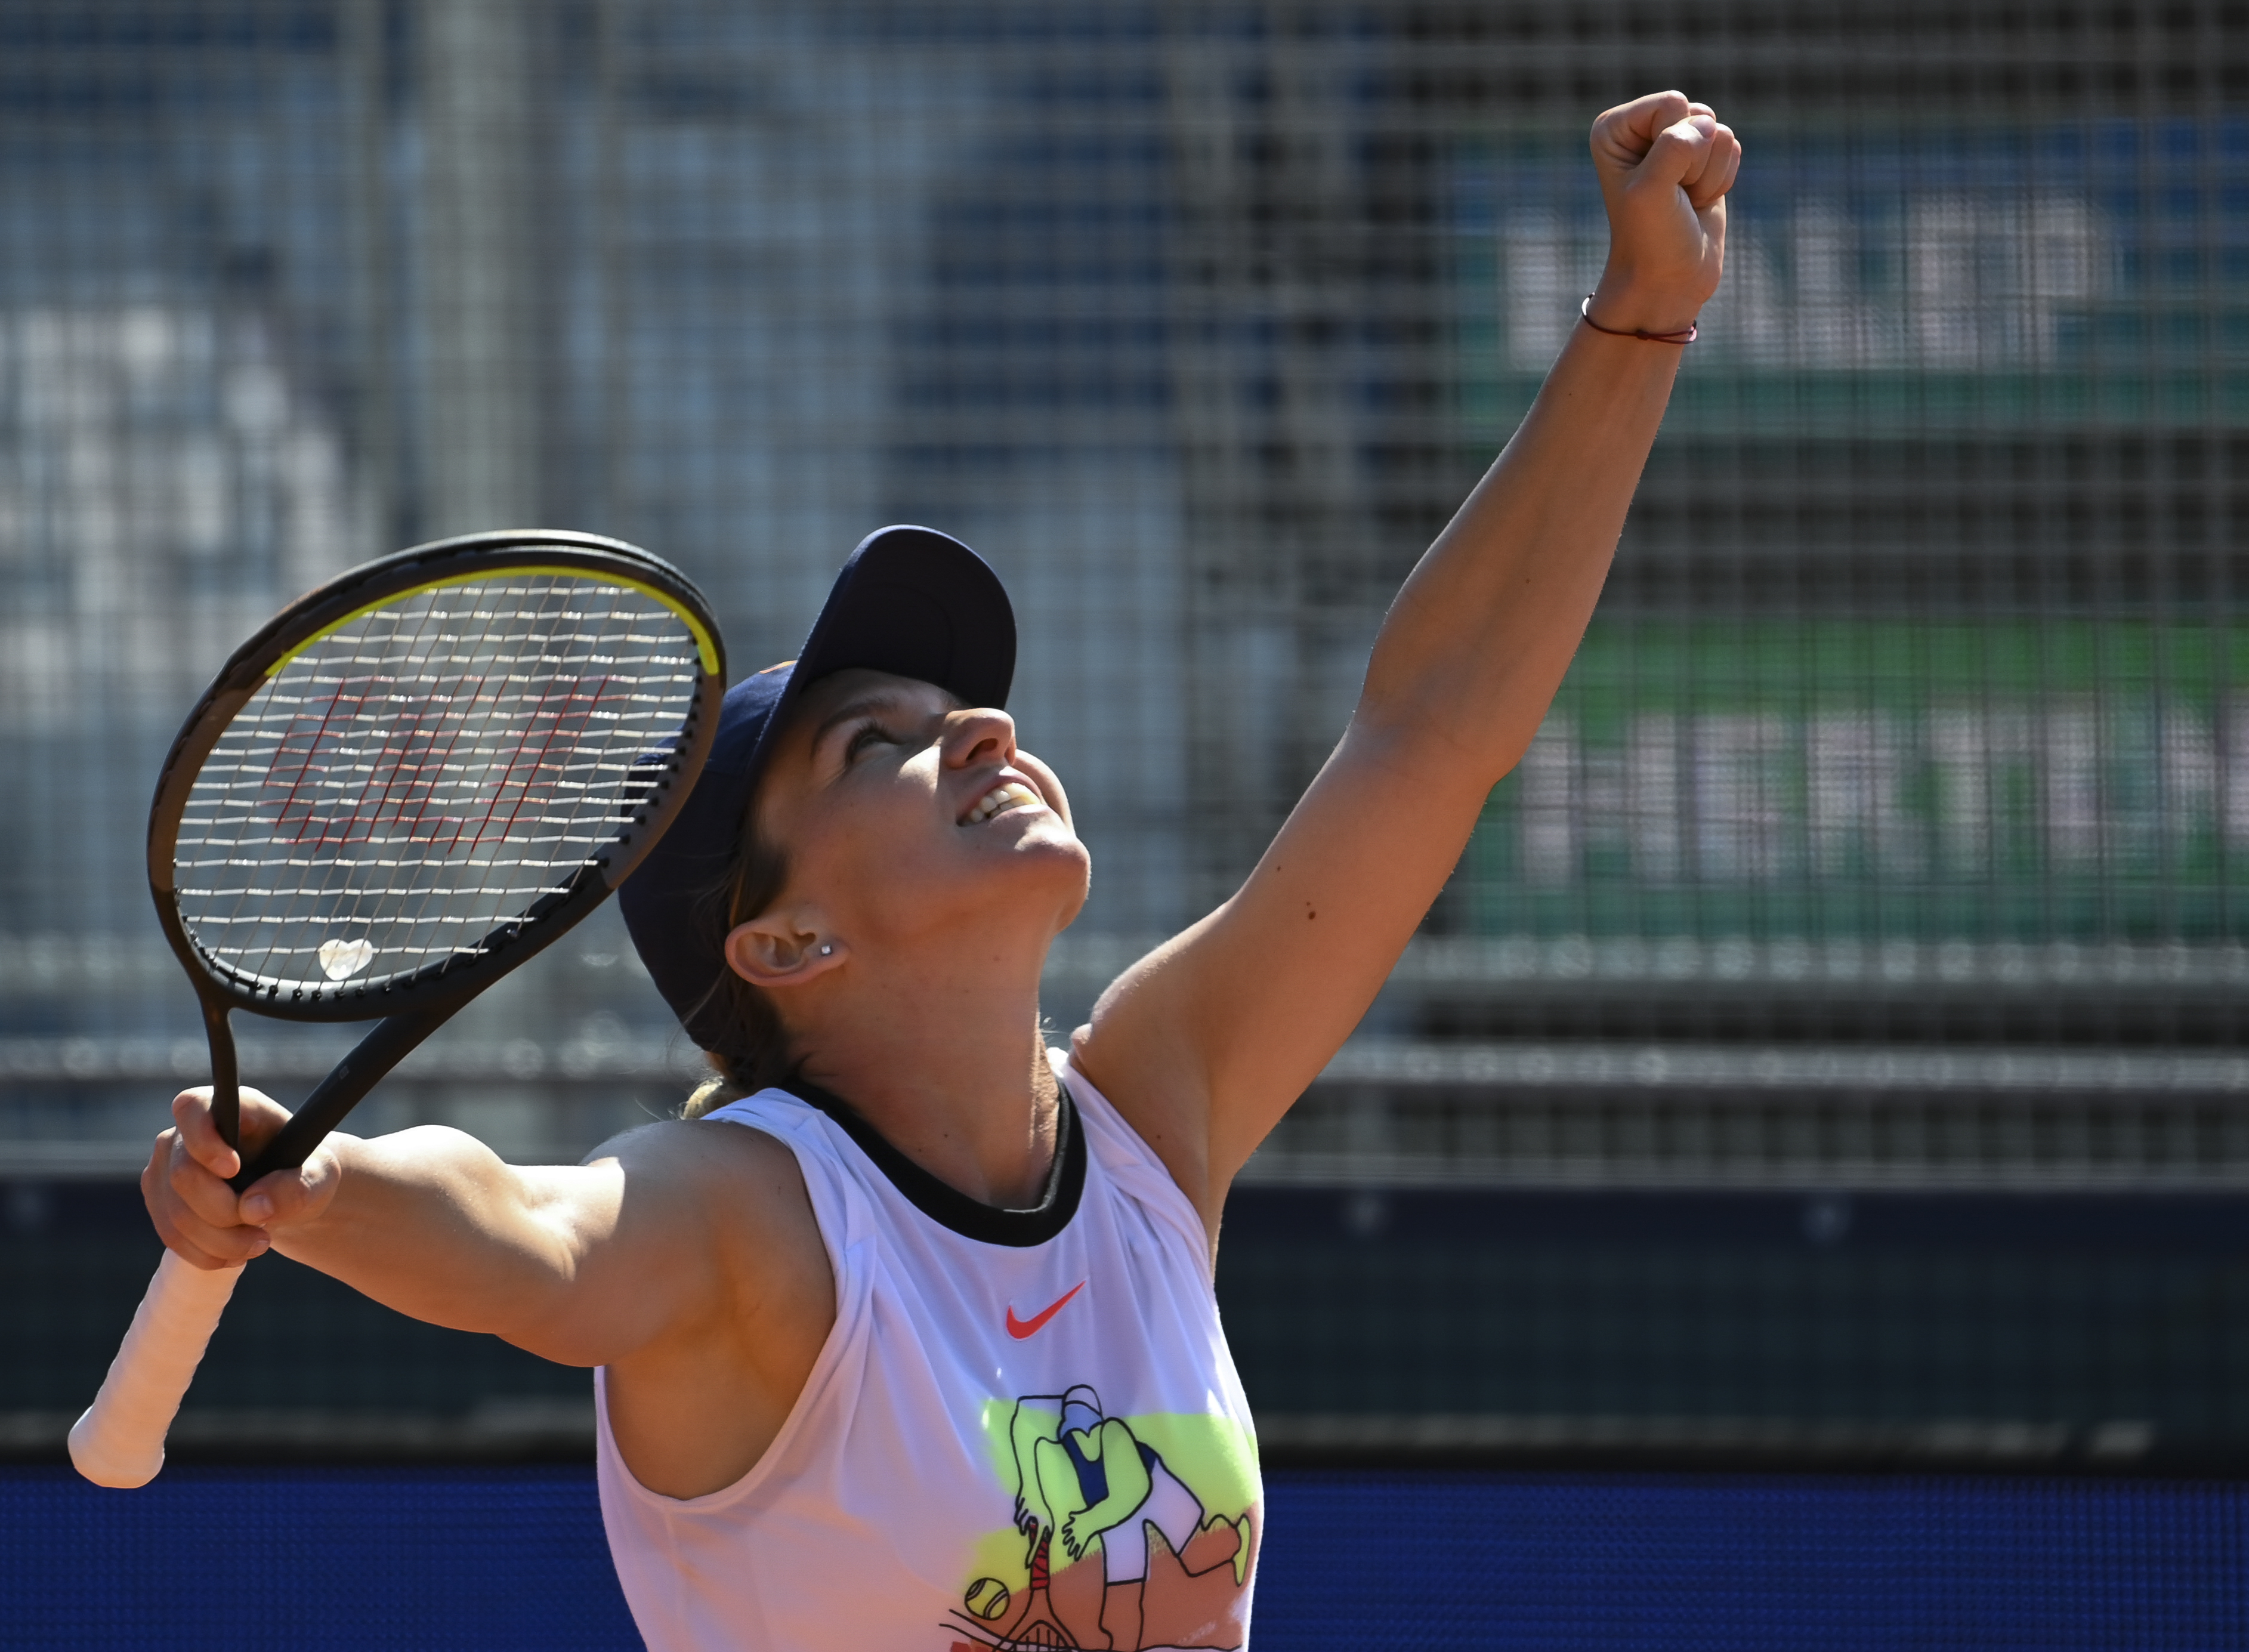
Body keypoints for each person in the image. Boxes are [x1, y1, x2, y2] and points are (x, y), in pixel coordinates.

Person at [143, 91, 1740, 1651]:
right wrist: (323, 1188)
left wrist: (1634, 324)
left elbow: (1427, 737)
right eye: (873, 745)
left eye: (954, 707)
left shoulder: (1146, 1113)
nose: (977, 728)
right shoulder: (754, 1223)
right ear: (783, 943)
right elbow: (533, 1233)